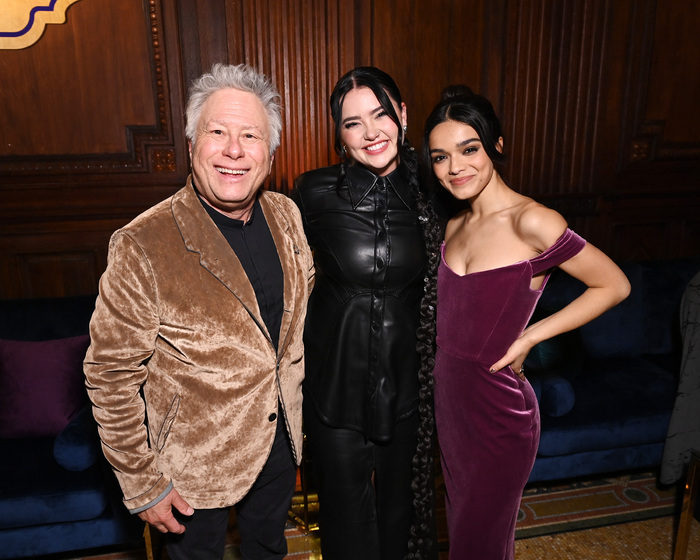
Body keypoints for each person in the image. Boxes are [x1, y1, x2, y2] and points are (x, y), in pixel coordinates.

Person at [83, 63, 315, 560]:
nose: (234, 150)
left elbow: (295, 327)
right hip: (192, 471)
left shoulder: (287, 216)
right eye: (218, 132)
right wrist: (143, 483)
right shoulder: (143, 244)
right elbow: (109, 374)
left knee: (268, 551)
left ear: (270, 153)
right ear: (192, 146)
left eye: (250, 135)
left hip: (278, 448)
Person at [408, 86, 631, 560]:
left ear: (497, 145)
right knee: (466, 537)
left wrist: (532, 335)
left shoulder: (533, 221)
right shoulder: (453, 225)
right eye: (441, 156)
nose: (455, 167)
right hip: (450, 406)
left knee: (478, 543)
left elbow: (614, 285)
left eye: (469, 149)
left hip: (499, 413)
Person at [291, 67, 428, 560]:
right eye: (353, 123)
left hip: (410, 383)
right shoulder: (310, 192)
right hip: (335, 385)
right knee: (345, 521)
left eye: (380, 114)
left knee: (404, 517)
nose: (371, 133)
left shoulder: (437, 192)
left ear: (403, 114)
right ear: (339, 134)